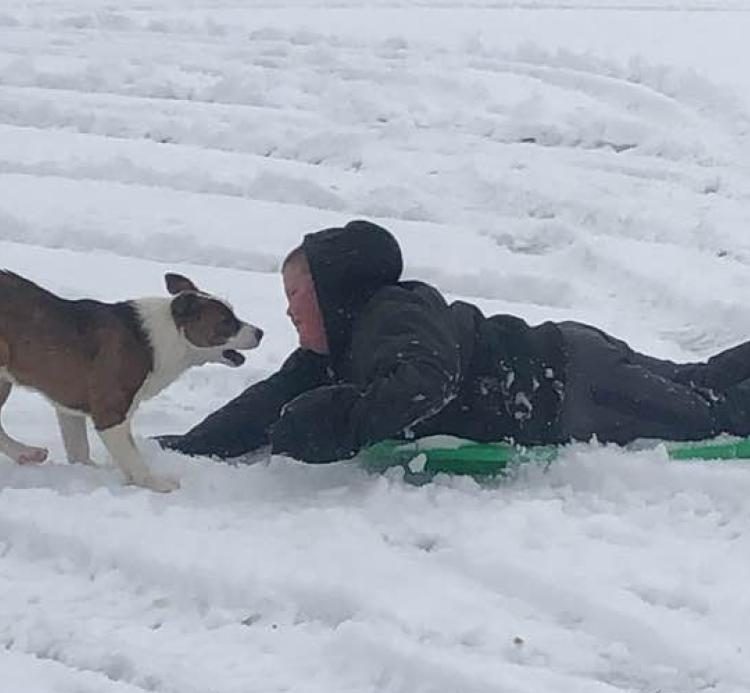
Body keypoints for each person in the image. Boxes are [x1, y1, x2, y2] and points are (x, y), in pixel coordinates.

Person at [156, 219, 750, 463]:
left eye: (297, 296)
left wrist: (345, 424)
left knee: (713, 414)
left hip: (567, 385)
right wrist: (192, 445)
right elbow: (270, 402)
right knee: (698, 379)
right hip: (571, 359)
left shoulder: (392, 314)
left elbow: (425, 380)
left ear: (334, 292)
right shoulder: (336, 349)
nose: (286, 309)